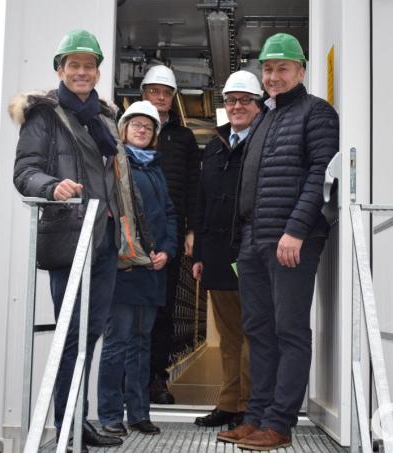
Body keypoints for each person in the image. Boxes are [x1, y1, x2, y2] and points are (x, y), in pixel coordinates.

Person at [216, 33, 339, 451]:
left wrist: (297, 230)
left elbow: (319, 174)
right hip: (254, 240)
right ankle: (256, 418)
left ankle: (280, 423)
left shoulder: (317, 114)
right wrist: (242, 239)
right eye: (267, 69)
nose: (273, 76)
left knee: (288, 330)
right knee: (259, 330)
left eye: (282, 68)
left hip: (291, 239)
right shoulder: (264, 118)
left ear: (301, 71)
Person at [10, 29, 126, 452]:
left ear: (97, 72)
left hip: (105, 238)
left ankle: (78, 417)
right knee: (70, 335)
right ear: (60, 69)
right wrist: (52, 185)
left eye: (88, 65)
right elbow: (24, 171)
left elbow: (118, 181)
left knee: (92, 332)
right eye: (73, 65)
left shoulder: (106, 118)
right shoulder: (44, 115)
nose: (81, 71)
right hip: (70, 237)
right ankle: (66, 426)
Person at [97, 100, 177, 438]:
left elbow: (170, 216)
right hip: (124, 271)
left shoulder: (155, 169)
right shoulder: (114, 165)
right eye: (136, 125)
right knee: (117, 344)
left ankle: (139, 413)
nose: (142, 130)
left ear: (155, 134)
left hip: (152, 271)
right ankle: (111, 415)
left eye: (148, 126)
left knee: (142, 345)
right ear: (123, 130)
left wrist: (169, 252)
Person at [191, 71, 262, 429]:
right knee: (230, 337)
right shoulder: (216, 145)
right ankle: (229, 404)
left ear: (258, 104)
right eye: (231, 100)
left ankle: (251, 408)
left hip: (251, 252)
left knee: (253, 333)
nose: (237, 106)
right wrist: (200, 253)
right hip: (218, 254)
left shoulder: (265, 139)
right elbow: (202, 201)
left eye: (244, 100)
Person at [139, 65, 201, 405]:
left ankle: (156, 381)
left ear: (172, 98)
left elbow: (194, 186)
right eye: (154, 91)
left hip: (170, 231)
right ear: (144, 93)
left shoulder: (185, 138)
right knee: (132, 309)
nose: (161, 97)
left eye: (166, 93)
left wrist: (190, 229)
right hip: (135, 230)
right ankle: (129, 381)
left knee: (162, 309)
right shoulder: (131, 128)